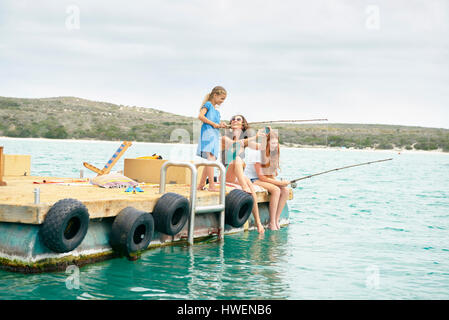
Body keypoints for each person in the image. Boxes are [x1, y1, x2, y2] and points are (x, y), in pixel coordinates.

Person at [221, 115, 266, 233]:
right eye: (233, 119)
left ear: (243, 125)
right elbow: (235, 145)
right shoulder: (225, 138)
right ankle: (244, 185)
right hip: (225, 175)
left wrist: (263, 136)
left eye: (238, 119)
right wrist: (254, 137)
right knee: (237, 160)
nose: (235, 120)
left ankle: (258, 223)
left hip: (237, 176)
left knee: (251, 187)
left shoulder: (245, 142)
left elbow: (261, 147)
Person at [244, 129, 290, 230]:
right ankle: (272, 222)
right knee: (276, 190)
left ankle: (276, 219)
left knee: (285, 190)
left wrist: (281, 183)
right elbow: (261, 177)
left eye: (276, 143)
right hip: (252, 179)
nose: (275, 145)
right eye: (273, 143)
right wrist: (279, 183)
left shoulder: (272, 154)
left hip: (263, 179)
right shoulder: (258, 153)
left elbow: (270, 175)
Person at [196, 86, 227, 192]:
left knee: (211, 160)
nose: (222, 101)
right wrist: (214, 124)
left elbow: (216, 124)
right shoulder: (208, 105)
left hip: (214, 134)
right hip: (207, 133)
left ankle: (201, 185)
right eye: (222, 98)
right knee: (211, 159)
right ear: (215, 95)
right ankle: (212, 186)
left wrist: (220, 124)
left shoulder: (217, 111)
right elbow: (200, 116)